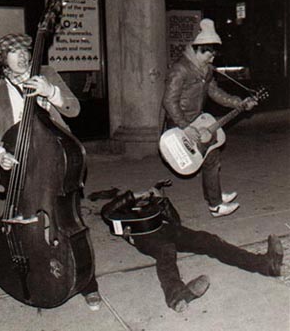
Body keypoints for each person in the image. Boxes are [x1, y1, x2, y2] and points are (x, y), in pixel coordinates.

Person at [0, 33, 101, 311]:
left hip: (54, 160)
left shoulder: (47, 73)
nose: (23, 56)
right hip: (17, 164)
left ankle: (87, 282)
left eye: (25, 50)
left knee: (66, 219)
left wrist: (50, 92)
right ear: (3, 58)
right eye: (14, 52)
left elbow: (73, 109)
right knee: (11, 222)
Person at [100, 181, 283, 313]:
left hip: (166, 228)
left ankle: (265, 264)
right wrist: (131, 196)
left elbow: (176, 222)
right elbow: (106, 213)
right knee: (166, 250)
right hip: (144, 237)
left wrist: (162, 200)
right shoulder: (120, 214)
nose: (142, 196)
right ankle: (176, 295)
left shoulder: (151, 205)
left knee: (207, 240)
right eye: (132, 195)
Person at [163, 18, 257, 217]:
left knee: (212, 157)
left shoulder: (205, 70)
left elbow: (215, 92)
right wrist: (185, 126)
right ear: (199, 49)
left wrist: (239, 102)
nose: (212, 59)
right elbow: (169, 102)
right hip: (179, 124)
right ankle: (215, 204)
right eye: (209, 55)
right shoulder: (180, 69)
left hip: (197, 120)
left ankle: (215, 198)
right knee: (212, 158)